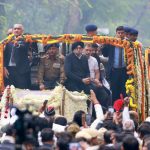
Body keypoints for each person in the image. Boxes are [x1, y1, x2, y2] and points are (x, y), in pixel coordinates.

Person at [102, 26, 128, 103]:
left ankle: (124, 108)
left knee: (124, 90)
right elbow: (105, 55)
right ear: (116, 34)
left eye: (122, 33)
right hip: (114, 70)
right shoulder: (111, 43)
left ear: (125, 34)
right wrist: (105, 45)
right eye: (118, 33)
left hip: (124, 70)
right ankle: (115, 109)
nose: (120, 35)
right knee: (114, 90)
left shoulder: (128, 44)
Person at [4, 24, 31, 89]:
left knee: (21, 90)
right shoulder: (8, 41)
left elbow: (24, 47)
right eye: (15, 29)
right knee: (9, 91)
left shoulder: (26, 39)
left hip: (21, 70)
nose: (16, 30)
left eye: (18, 29)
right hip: (9, 70)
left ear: (22, 31)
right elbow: (5, 56)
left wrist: (17, 45)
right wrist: (4, 67)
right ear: (13, 30)